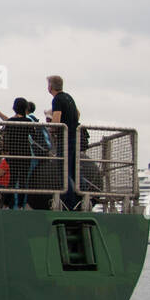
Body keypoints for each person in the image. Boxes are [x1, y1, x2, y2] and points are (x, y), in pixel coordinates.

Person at [47, 75, 81, 209]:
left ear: (50, 87)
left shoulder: (57, 99)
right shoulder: (68, 97)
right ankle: (84, 197)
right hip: (74, 137)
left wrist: (51, 129)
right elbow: (78, 113)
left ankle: (70, 203)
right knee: (73, 170)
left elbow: (56, 119)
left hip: (65, 139)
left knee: (64, 171)